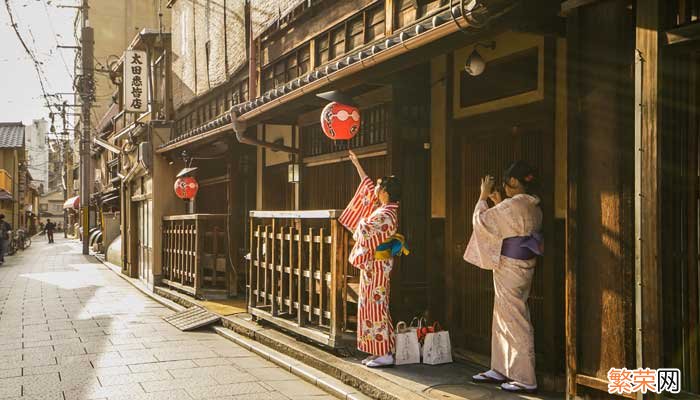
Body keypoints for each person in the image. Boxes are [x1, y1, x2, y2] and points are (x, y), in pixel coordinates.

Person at [464, 160, 543, 394]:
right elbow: (507, 223)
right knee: (503, 314)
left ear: (515, 182)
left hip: (510, 266)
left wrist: (482, 196)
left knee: (515, 318)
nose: (505, 187)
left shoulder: (513, 206)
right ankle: (500, 367)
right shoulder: (532, 205)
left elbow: (482, 222)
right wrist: (498, 202)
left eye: (508, 182)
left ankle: (525, 377)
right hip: (523, 264)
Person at [338, 150, 404, 368]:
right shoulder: (385, 209)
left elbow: (364, 231)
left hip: (377, 265)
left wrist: (361, 227)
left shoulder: (387, 214)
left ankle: (384, 352)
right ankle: (380, 350)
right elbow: (367, 186)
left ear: (384, 191)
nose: (374, 189)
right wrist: (357, 165)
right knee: (371, 306)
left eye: (378, 186)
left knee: (376, 307)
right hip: (374, 265)